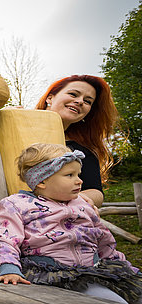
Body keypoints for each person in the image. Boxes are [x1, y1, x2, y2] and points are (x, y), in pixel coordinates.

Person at [0, 143, 142, 304]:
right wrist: (9, 269)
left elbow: (103, 239)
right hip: (54, 274)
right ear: (42, 180)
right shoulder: (17, 205)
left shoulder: (82, 203)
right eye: (70, 175)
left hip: (95, 268)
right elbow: (6, 240)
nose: (80, 181)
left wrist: (123, 267)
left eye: (78, 174)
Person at [35, 75, 119, 208]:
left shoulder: (81, 150)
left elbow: (95, 191)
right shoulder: (14, 122)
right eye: (73, 94)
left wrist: (73, 201)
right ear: (50, 98)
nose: (80, 101)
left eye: (88, 101)